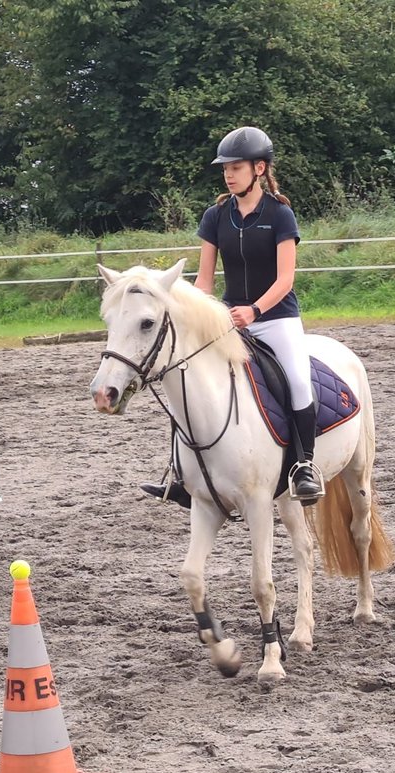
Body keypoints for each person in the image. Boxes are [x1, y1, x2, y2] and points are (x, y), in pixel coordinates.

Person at [141, 125, 324, 509]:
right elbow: (204, 279)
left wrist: (256, 309)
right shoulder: (216, 216)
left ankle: (304, 467)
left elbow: (286, 278)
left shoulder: (279, 215)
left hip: (275, 318)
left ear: (259, 168)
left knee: (297, 381)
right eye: (225, 167)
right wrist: (191, 312)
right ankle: (180, 474)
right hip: (227, 318)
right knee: (189, 381)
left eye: (236, 167)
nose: (228, 173)